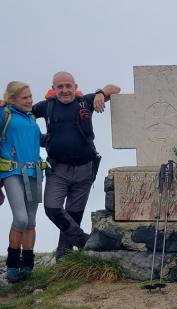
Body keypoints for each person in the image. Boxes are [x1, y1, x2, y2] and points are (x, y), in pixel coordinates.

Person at [32, 72, 120, 260]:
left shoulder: (85, 101)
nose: (64, 90)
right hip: (58, 169)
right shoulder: (46, 106)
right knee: (53, 208)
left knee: (73, 213)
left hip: (85, 168)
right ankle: (81, 239)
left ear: (74, 86)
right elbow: (24, 116)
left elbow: (115, 89)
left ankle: (63, 254)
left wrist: (99, 93)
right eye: (60, 87)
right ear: (53, 89)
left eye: (68, 86)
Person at [0, 81, 43, 282]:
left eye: (30, 96)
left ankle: (28, 264)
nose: (29, 101)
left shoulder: (31, 117)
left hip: (34, 172)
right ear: (12, 99)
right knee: (21, 219)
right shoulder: (4, 114)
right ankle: (12, 265)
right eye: (24, 98)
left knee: (31, 221)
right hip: (12, 172)